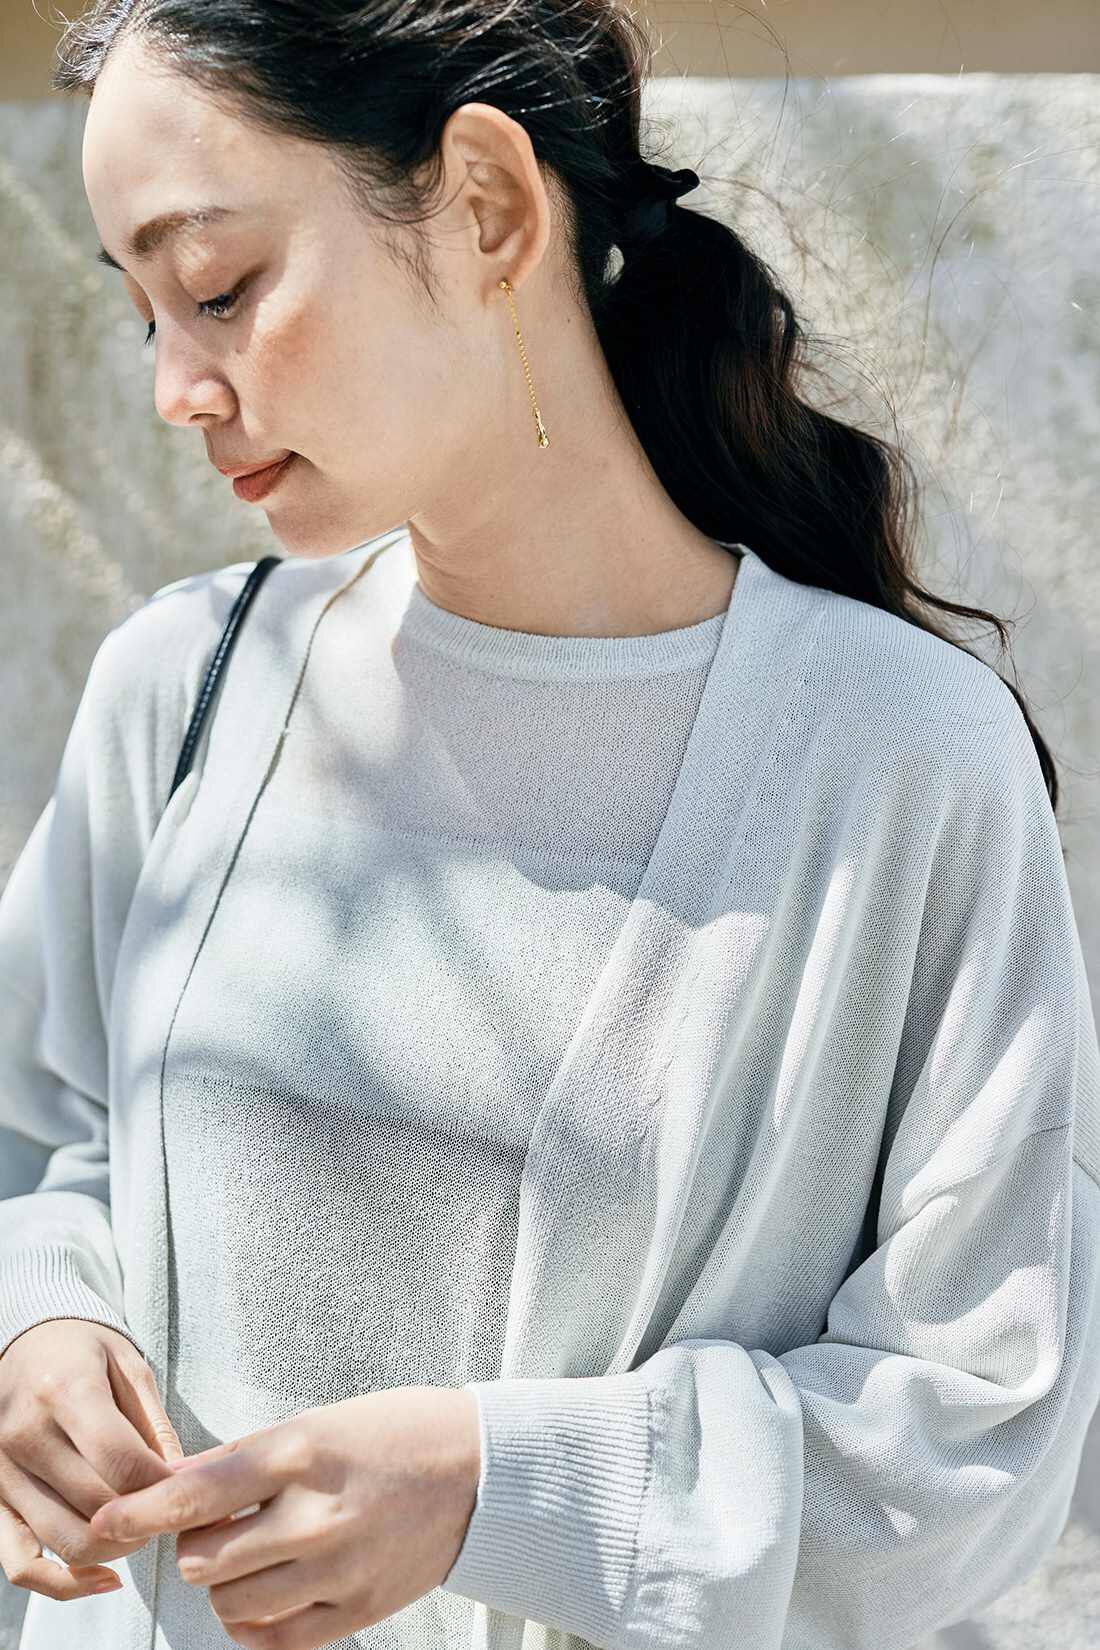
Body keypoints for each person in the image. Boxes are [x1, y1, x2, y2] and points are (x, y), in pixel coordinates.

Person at [1, 4, 1098, 1649]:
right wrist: (39, 1321)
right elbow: (43, 1137)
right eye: (143, 309)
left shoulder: (895, 763)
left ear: (490, 204)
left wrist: (495, 1485)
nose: (173, 383)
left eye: (217, 288)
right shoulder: (185, 690)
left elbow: (978, 1429)